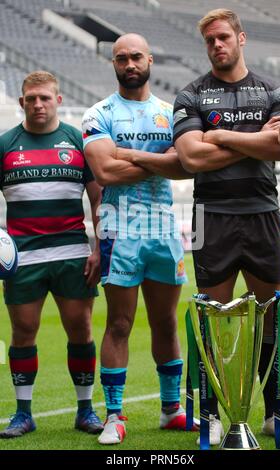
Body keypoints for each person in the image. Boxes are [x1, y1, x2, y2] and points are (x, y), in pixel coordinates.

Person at [173, 9, 280, 444]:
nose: (217, 46)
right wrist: (253, 142)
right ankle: (210, 414)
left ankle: (277, 412)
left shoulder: (271, 91)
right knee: (213, 318)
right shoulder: (190, 95)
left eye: (224, 37)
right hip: (211, 214)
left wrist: (220, 136)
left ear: (241, 37)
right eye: (209, 40)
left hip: (263, 210)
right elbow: (191, 158)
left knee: (272, 316)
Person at [82, 33, 199, 445]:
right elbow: (105, 174)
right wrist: (160, 162)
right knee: (119, 323)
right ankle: (114, 415)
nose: (129, 64)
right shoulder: (98, 113)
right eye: (121, 59)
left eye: (135, 56)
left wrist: (128, 154)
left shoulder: (172, 112)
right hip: (118, 229)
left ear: (149, 59)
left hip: (162, 229)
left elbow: (187, 166)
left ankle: (171, 410)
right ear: (113, 64)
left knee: (166, 322)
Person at [0, 71, 103, 438]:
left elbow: (98, 197)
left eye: (45, 97)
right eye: (31, 98)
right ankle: (23, 413)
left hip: (73, 253)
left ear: (58, 100)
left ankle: (86, 410)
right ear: (22, 101)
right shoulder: (6, 144)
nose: (38, 104)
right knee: (23, 331)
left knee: (80, 329)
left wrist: (98, 246)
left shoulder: (78, 141)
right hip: (24, 256)